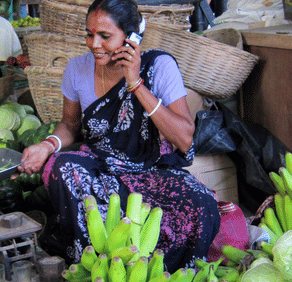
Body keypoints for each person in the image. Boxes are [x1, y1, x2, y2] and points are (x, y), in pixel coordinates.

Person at [16, 0, 221, 272]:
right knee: (61, 166)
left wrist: (135, 83)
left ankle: (155, 267)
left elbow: (184, 138)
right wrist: (46, 145)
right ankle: (100, 261)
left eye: (105, 36)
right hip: (102, 169)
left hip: (152, 171)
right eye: (89, 34)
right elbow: (69, 125)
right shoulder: (76, 69)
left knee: (201, 204)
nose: (94, 44)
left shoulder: (159, 66)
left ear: (131, 36)